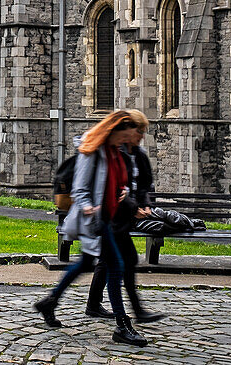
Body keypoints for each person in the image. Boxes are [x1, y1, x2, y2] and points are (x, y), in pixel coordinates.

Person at [34, 110, 148, 346]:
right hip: (97, 220)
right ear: (115, 130)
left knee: (86, 263)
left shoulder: (115, 152)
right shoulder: (93, 151)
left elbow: (116, 182)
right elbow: (79, 189)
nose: (127, 141)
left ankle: (50, 302)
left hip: (107, 218)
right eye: (124, 136)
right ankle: (122, 325)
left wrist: (123, 192)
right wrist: (89, 207)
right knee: (115, 267)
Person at [83, 114, 165, 325]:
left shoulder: (139, 154)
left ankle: (94, 305)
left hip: (126, 216)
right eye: (139, 131)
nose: (141, 136)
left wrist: (145, 203)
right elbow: (118, 190)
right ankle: (129, 316)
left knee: (112, 262)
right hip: (113, 217)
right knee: (122, 262)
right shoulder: (115, 153)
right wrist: (133, 207)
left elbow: (145, 183)